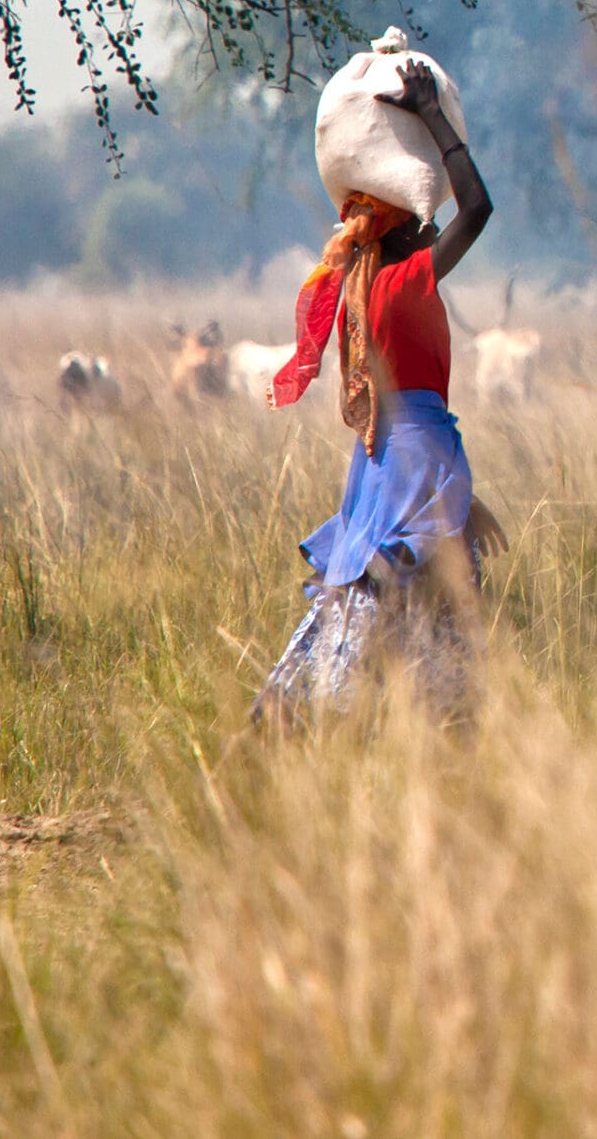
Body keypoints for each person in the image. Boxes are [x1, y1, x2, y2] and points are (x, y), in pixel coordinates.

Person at [252, 62, 506, 730]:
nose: (434, 224)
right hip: (415, 463)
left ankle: (312, 718)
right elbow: (477, 209)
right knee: (431, 609)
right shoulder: (399, 283)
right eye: (423, 219)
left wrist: (459, 498)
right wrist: (431, 114)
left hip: (391, 465)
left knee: (369, 597)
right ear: (403, 229)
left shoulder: (366, 291)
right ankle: (404, 726)